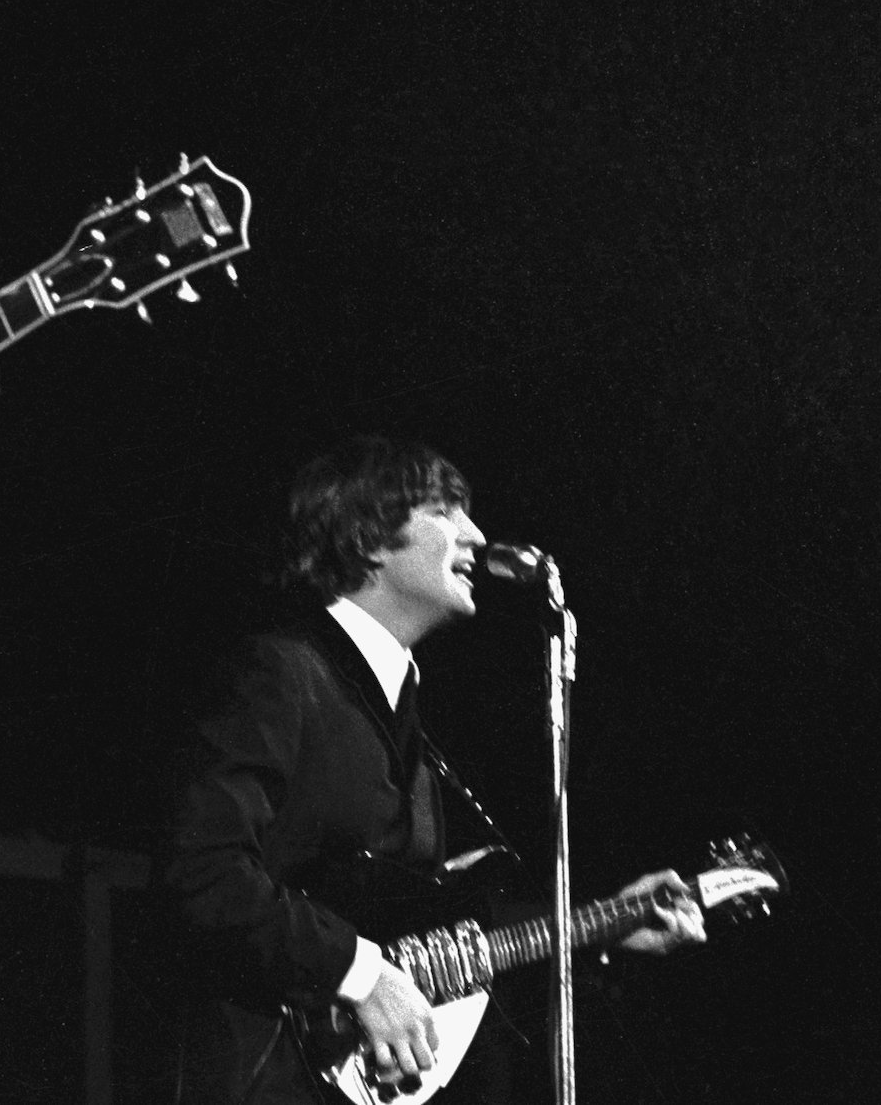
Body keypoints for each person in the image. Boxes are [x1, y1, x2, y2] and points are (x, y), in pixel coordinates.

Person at [158, 437, 704, 1104]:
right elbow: (203, 870)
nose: (476, 535)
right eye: (446, 510)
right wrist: (362, 978)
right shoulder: (280, 674)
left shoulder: (404, 719)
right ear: (368, 537)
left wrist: (601, 930)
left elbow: (429, 943)